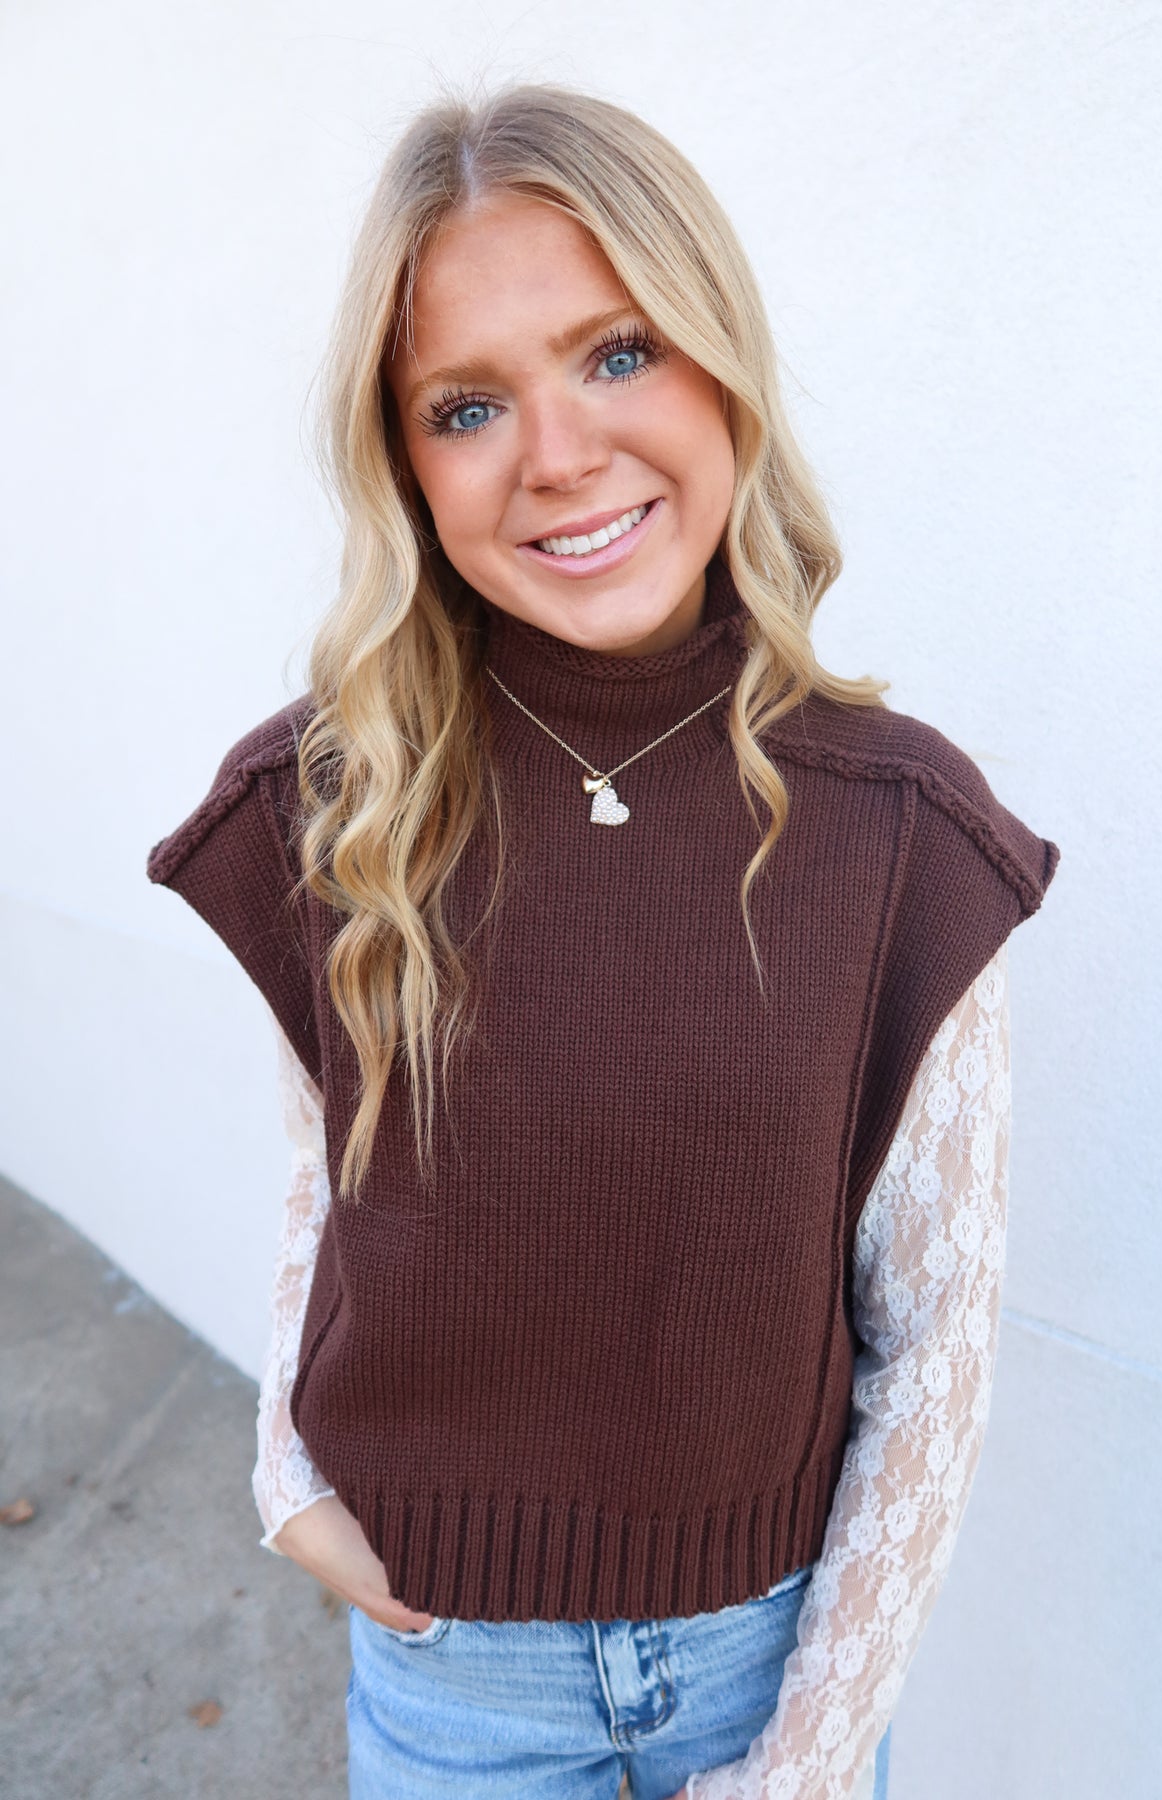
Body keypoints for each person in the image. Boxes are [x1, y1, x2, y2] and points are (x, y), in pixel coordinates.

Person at [146, 82, 1060, 1800]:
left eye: (618, 353)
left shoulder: (903, 835)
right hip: (451, 1684)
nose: (558, 454)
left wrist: (801, 1766)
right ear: (405, 463)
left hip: (772, 1668)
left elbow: (936, 1345)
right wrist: (287, 1472)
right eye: (469, 404)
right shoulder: (328, 807)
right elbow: (324, 1186)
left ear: (722, 366)